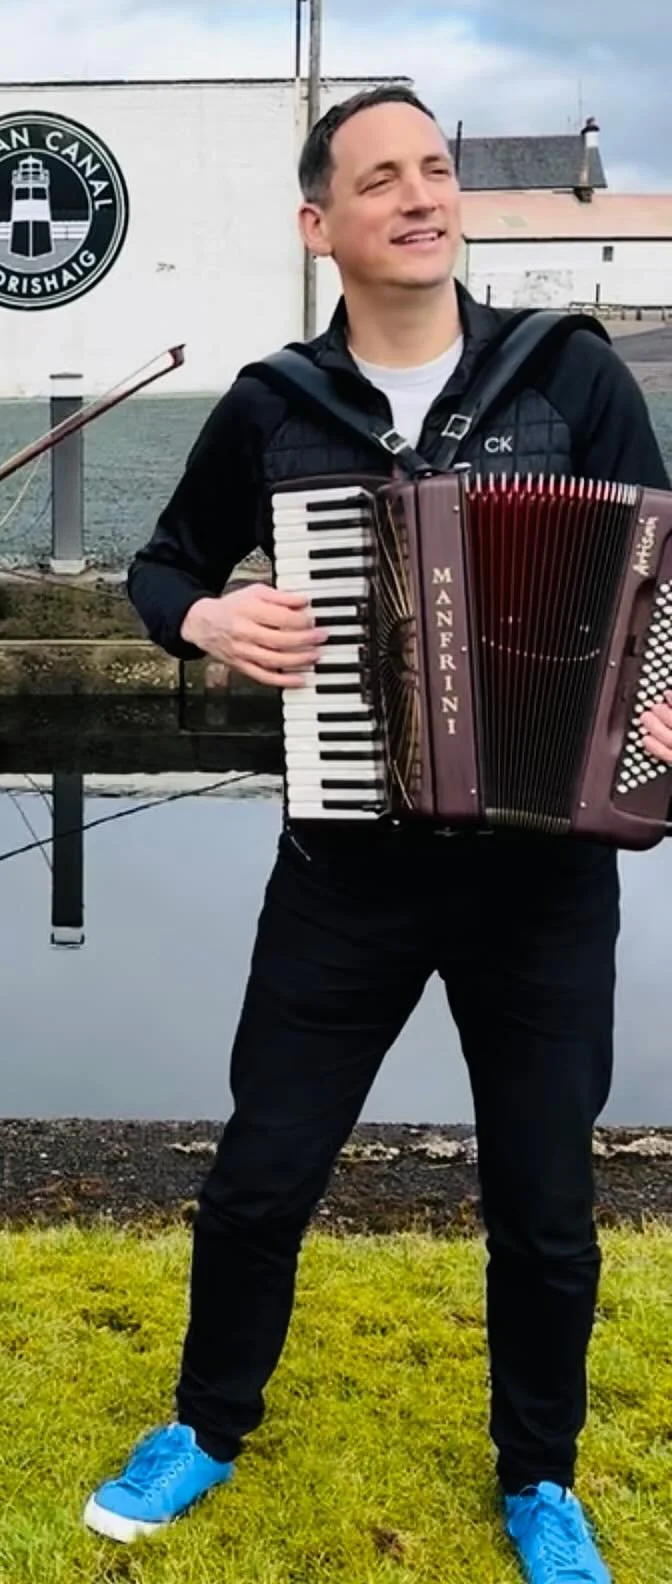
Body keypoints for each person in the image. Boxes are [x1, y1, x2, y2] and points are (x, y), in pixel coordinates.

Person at [85, 85, 672, 1584]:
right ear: (320, 224)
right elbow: (158, 570)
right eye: (379, 179)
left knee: (545, 1203)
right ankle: (209, 1424)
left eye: (434, 171)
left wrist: (664, 708)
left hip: (545, 879)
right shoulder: (279, 407)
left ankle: (539, 1477)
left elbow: (660, 577)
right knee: (263, 1173)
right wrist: (212, 615)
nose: (418, 196)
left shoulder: (570, 376)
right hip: (346, 868)